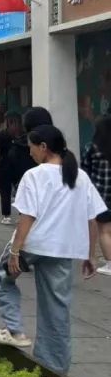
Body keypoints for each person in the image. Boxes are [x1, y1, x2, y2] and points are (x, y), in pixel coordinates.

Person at [0, 125, 105, 371]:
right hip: (63, 250)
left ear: (43, 147)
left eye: (31, 147)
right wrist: (90, 255)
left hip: (32, 244)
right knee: (57, 310)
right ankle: (54, 369)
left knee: (2, 280)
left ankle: (15, 330)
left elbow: (27, 217)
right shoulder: (80, 177)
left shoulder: (34, 175)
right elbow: (92, 219)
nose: (30, 152)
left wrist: (15, 251)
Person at [80, 115, 111, 276]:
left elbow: (84, 171)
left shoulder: (91, 147)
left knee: (104, 231)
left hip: (100, 196)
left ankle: (110, 264)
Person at [0, 112, 25, 225]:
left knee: (5, 192)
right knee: (21, 191)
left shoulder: (3, 134)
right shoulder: (23, 134)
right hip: (19, 166)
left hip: (4, 165)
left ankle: (6, 216)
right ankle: (22, 214)